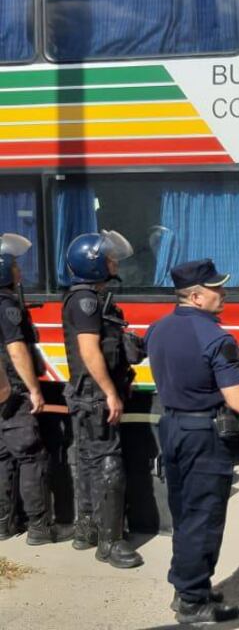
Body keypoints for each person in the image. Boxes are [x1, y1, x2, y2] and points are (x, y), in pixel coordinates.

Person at [145, 259, 239, 624]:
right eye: (216, 289)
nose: (224, 294)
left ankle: (189, 586)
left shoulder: (158, 329)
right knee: (203, 518)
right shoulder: (217, 338)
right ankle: (192, 602)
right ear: (195, 296)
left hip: (172, 428)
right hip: (204, 436)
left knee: (184, 513)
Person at [62, 230, 143, 569]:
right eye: (109, 258)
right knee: (108, 461)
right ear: (93, 264)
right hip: (95, 395)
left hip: (87, 394)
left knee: (87, 459)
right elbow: (89, 350)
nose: (114, 262)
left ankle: (88, 530)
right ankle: (111, 543)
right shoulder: (86, 301)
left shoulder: (86, 297)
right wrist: (111, 392)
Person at [0, 233, 70, 544]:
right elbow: (16, 350)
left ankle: (3, 524)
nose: (19, 270)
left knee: (3, 456)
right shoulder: (5, 306)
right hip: (13, 391)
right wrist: (34, 389)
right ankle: (39, 528)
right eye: (15, 265)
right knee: (31, 455)